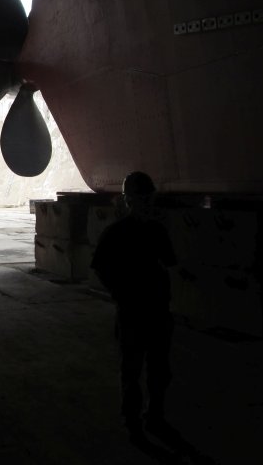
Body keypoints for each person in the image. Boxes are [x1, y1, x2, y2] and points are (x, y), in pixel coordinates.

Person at [90, 171, 178, 445]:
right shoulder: (116, 232)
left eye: (148, 198)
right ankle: (133, 420)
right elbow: (101, 267)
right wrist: (121, 293)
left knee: (157, 370)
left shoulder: (155, 230)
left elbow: (169, 262)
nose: (145, 203)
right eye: (140, 198)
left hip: (156, 311)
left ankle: (153, 416)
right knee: (132, 370)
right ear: (129, 200)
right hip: (133, 311)